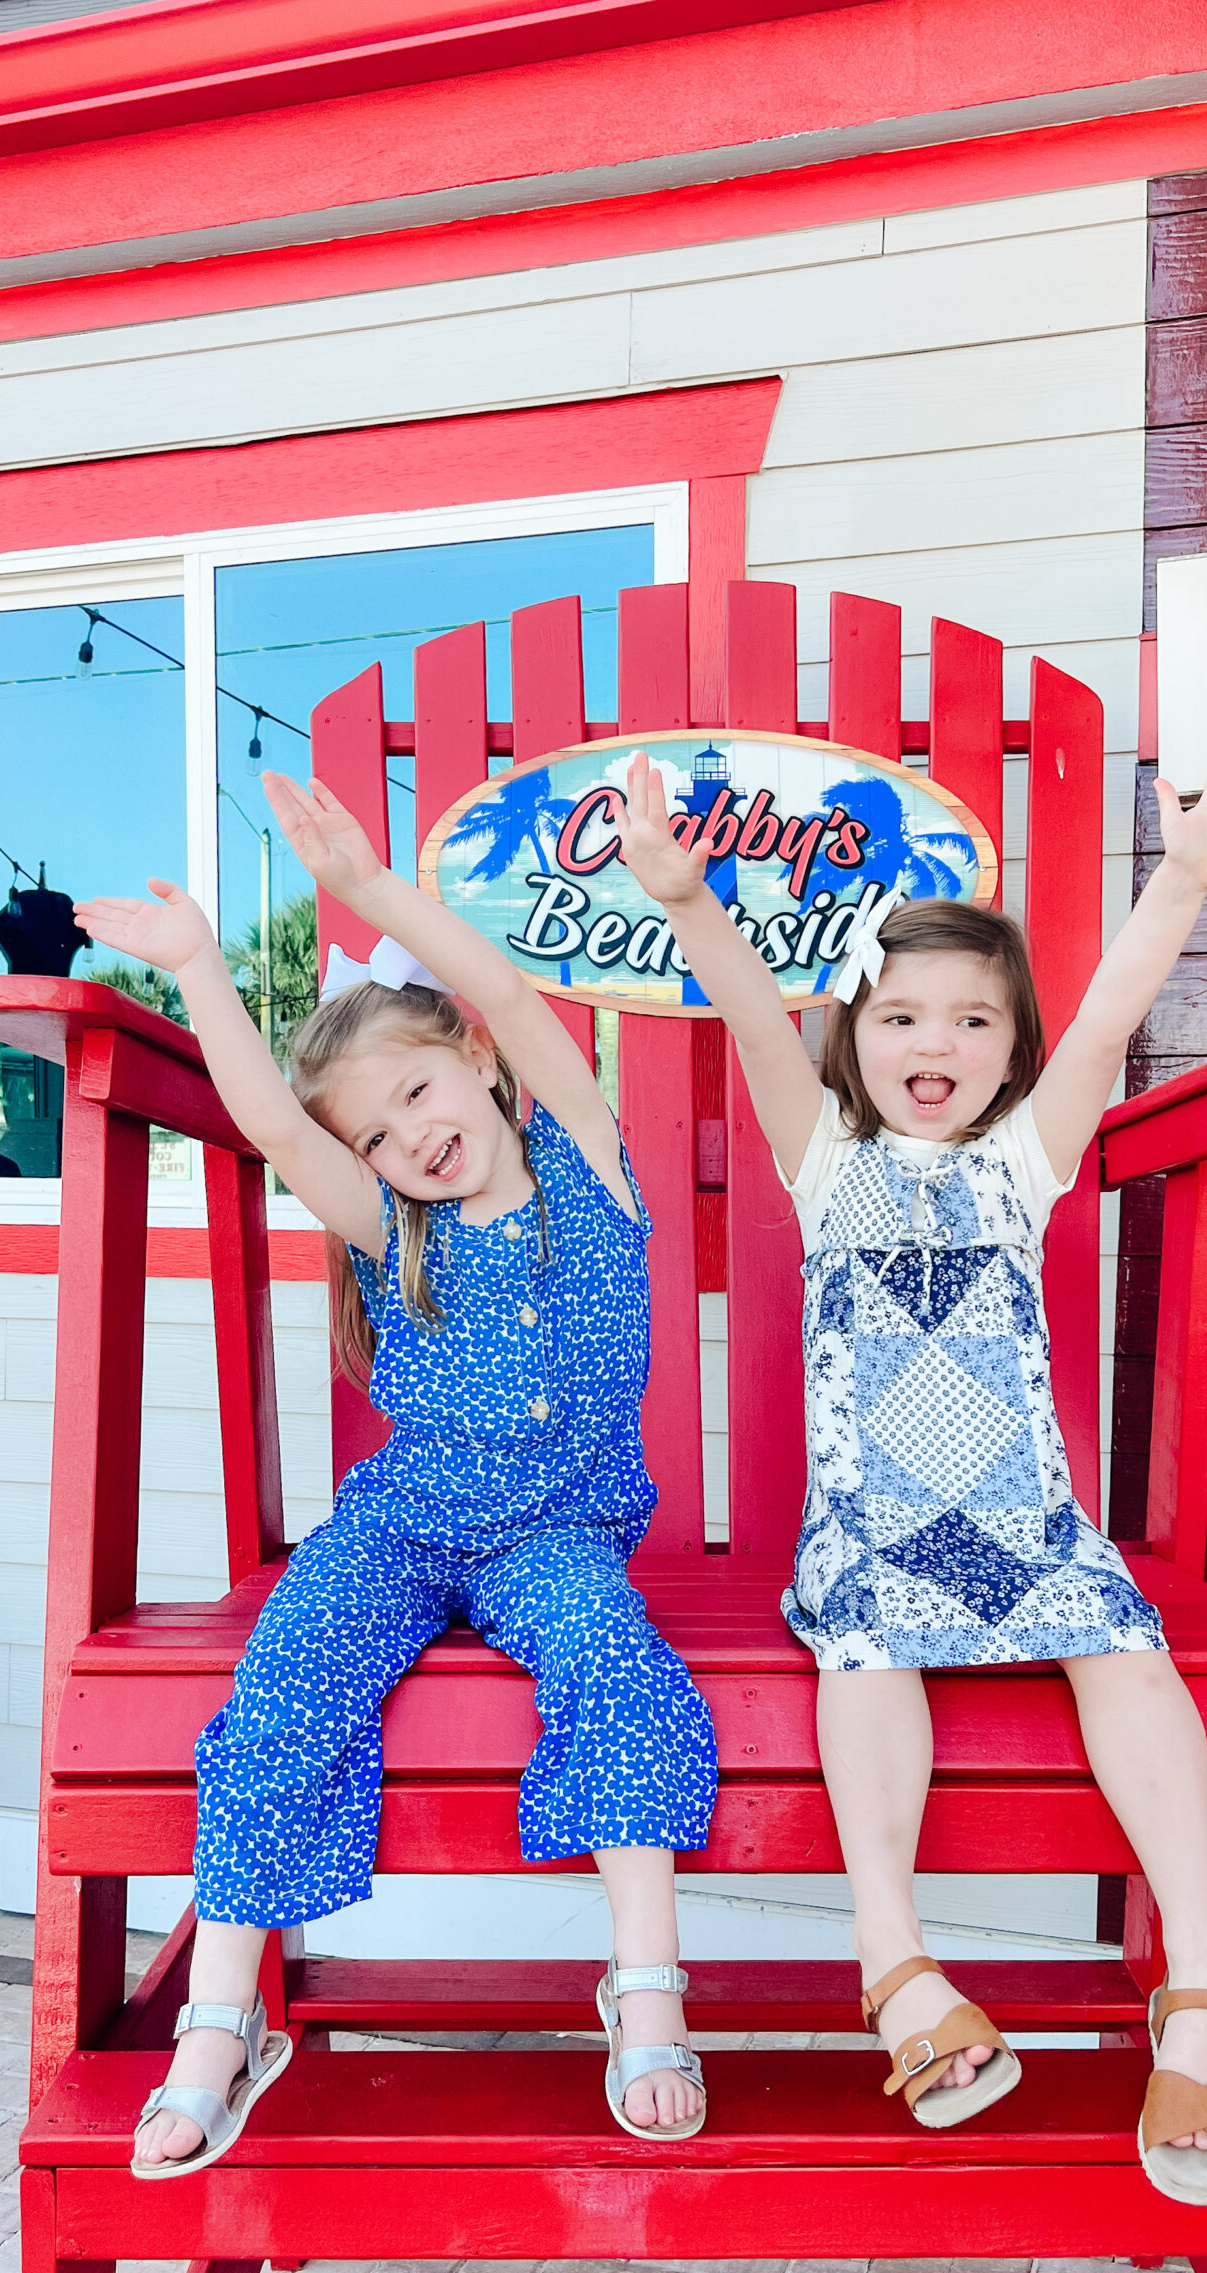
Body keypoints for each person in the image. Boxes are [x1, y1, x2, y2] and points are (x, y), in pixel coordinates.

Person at [614, 742, 1207, 2203]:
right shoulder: (822, 1161)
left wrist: (1177, 882)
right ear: (855, 1034)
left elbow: (1110, 1019)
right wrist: (686, 901)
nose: (938, 1040)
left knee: (1124, 1644)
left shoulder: (1025, 1161)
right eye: (903, 1014)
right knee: (862, 1654)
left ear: (1008, 1047)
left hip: (1027, 1525)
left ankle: (1202, 1978)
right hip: (874, 1531)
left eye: (974, 1019)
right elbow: (746, 1011)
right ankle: (896, 1959)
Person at [74, 772, 718, 2177]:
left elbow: (527, 1000)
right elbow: (277, 1128)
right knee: (289, 1680)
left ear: (476, 1063)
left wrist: (373, 894)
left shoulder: (588, 1165)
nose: (407, 1137)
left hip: (556, 1532)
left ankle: (646, 1981)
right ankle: (224, 2014)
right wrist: (198, 972)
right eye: (376, 1132)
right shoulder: (390, 1230)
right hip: (408, 1527)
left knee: (613, 1660)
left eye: (418, 1092)